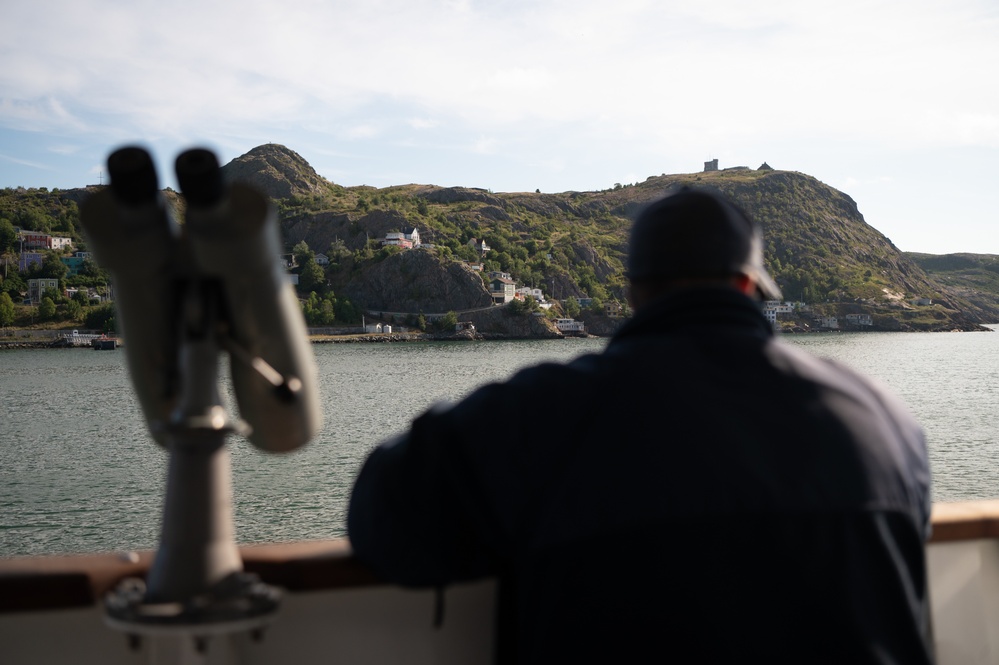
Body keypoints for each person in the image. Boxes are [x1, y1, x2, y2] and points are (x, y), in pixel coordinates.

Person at [347, 189, 933, 663]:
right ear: (751, 286)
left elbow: (385, 522)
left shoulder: (542, 415)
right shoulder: (885, 419)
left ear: (632, 290)